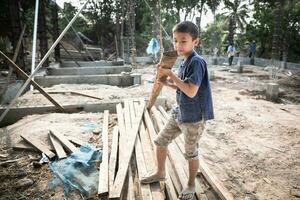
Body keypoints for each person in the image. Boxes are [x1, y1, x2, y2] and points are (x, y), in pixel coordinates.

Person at [140, 21, 214, 200]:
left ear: (195, 42)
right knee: (160, 142)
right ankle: (160, 172)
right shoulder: (185, 61)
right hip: (180, 112)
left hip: (194, 118)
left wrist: (171, 74)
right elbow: (184, 87)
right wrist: (168, 83)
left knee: (190, 153)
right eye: (175, 41)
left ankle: (190, 185)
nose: (178, 45)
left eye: (183, 41)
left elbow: (191, 90)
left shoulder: (196, 62)